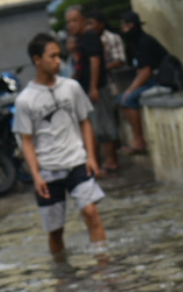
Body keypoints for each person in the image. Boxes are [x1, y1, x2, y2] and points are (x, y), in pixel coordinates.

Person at [14, 34, 107, 255]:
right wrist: (36, 175)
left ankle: (104, 264)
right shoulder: (25, 100)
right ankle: (61, 270)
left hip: (77, 161)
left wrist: (91, 156)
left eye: (59, 55)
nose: (58, 61)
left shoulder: (72, 87)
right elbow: (26, 141)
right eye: (52, 56)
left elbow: (85, 122)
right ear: (37, 59)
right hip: (48, 169)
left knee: (91, 212)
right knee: (55, 230)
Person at [65, 6, 117, 174]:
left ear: (83, 20)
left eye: (75, 20)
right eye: (69, 22)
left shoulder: (90, 37)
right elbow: (81, 63)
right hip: (85, 88)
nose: (71, 25)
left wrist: (94, 86)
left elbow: (95, 62)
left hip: (97, 87)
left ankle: (111, 160)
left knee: (104, 124)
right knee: (93, 125)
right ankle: (98, 161)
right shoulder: (80, 41)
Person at [117, 12, 168, 155]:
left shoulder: (145, 42)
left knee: (129, 99)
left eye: (126, 26)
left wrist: (130, 90)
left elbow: (146, 71)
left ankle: (139, 140)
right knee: (121, 99)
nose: (124, 29)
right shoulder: (136, 44)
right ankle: (136, 137)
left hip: (161, 80)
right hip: (152, 79)